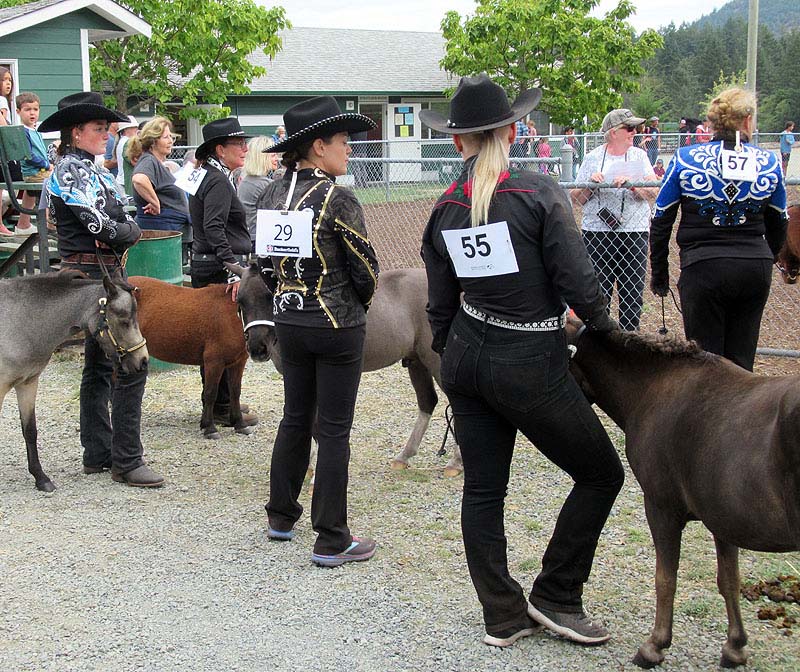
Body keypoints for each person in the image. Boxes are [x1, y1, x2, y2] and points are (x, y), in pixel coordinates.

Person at [419, 73, 623, 648]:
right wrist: (604, 331)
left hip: (465, 354)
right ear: (512, 130)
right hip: (528, 359)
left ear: (459, 142)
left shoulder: (443, 208)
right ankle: (557, 595)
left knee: (484, 491)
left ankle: (502, 613)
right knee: (601, 472)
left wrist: (451, 353)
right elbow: (580, 285)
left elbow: (439, 304)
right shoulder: (538, 191)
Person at [257, 96, 380, 567]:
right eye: (344, 142)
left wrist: (287, 294)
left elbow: (263, 263)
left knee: (294, 418)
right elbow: (365, 266)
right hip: (336, 322)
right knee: (333, 431)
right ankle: (331, 537)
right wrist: (356, 304)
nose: (349, 150)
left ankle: (281, 515)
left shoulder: (270, 192)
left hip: (289, 319)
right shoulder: (337, 197)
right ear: (318, 145)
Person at [39, 91, 163, 487]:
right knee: (132, 363)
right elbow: (103, 225)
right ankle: (125, 460)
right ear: (76, 132)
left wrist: (124, 228)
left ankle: (98, 453)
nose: (107, 135)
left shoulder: (91, 170)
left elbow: (121, 218)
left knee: (97, 367)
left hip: (100, 274)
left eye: (106, 129)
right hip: (93, 278)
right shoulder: (71, 171)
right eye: (98, 129)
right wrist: (126, 230)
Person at [651, 87, 787, 372]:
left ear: (712, 121)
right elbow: (779, 221)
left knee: (705, 368)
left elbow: (661, 219)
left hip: (703, 267)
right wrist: (767, 257)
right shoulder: (769, 162)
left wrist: (660, 274)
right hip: (754, 267)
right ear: (747, 120)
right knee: (741, 367)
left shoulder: (686, 158)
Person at [188, 117, 258, 428]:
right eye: (237, 143)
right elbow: (214, 228)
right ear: (220, 149)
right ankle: (221, 406)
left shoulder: (207, 174)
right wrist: (234, 269)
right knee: (223, 340)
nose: (244, 148)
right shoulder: (216, 180)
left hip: (208, 261)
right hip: (218, 266)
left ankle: (223, 402)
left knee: (216, 340)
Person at [572, 109, 658, 331]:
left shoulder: (640, 156)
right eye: (629, 128)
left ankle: (630, 342)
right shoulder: (592, 158)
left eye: (635, 128)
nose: (634, 132)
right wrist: (591, 185)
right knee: (599, 294)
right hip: (597, 234)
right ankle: (602, 342)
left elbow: (652, 192)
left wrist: (633, 184)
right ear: (613, 132)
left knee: (632, 294)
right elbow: (576, 199)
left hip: (634, 233)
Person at [130, 116, 190, 233]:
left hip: (170, 231)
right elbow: (139, 179)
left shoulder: (155, 162)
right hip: (162, 235)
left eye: (171, 137)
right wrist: (154, 202)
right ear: (153, 142)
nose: (170, 141)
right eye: (165, 137)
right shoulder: (149, 160)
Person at [14, 92, 52, 235]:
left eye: (35, 109)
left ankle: (23, 224)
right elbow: (28, 156)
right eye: (27, 109)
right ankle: (50, 222)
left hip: (39, 171)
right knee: (55, 182)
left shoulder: (36, 131)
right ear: (18, 112)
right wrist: (47, 165)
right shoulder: (23, 132)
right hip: (33, 172)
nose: (32, 113)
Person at [237, 135, 277, 250]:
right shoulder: (265, 184)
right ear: (262, 157)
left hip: (249, 237)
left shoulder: (246, 181)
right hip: (261, 241)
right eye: (273, 155)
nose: (276, 159)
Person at [114, 115, 138, 194]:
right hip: (126, 183)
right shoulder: (128, 142)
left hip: (122, 181)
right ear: (127, 129)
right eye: (134, 127)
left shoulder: (121, 141)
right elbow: (134, 162)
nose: (136, 130)